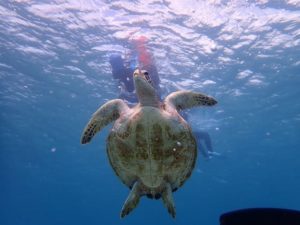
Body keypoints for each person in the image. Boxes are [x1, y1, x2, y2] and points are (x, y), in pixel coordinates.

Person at [109, 36, 215, 159]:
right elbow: (144, 92)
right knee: (191, 136)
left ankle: (208, 155)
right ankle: (208, 155)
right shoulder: (130, 76)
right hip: (154, 108)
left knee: (191, 136)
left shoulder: (139, 74)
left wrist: (127, 94)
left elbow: (150, 89)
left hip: (156, 105)